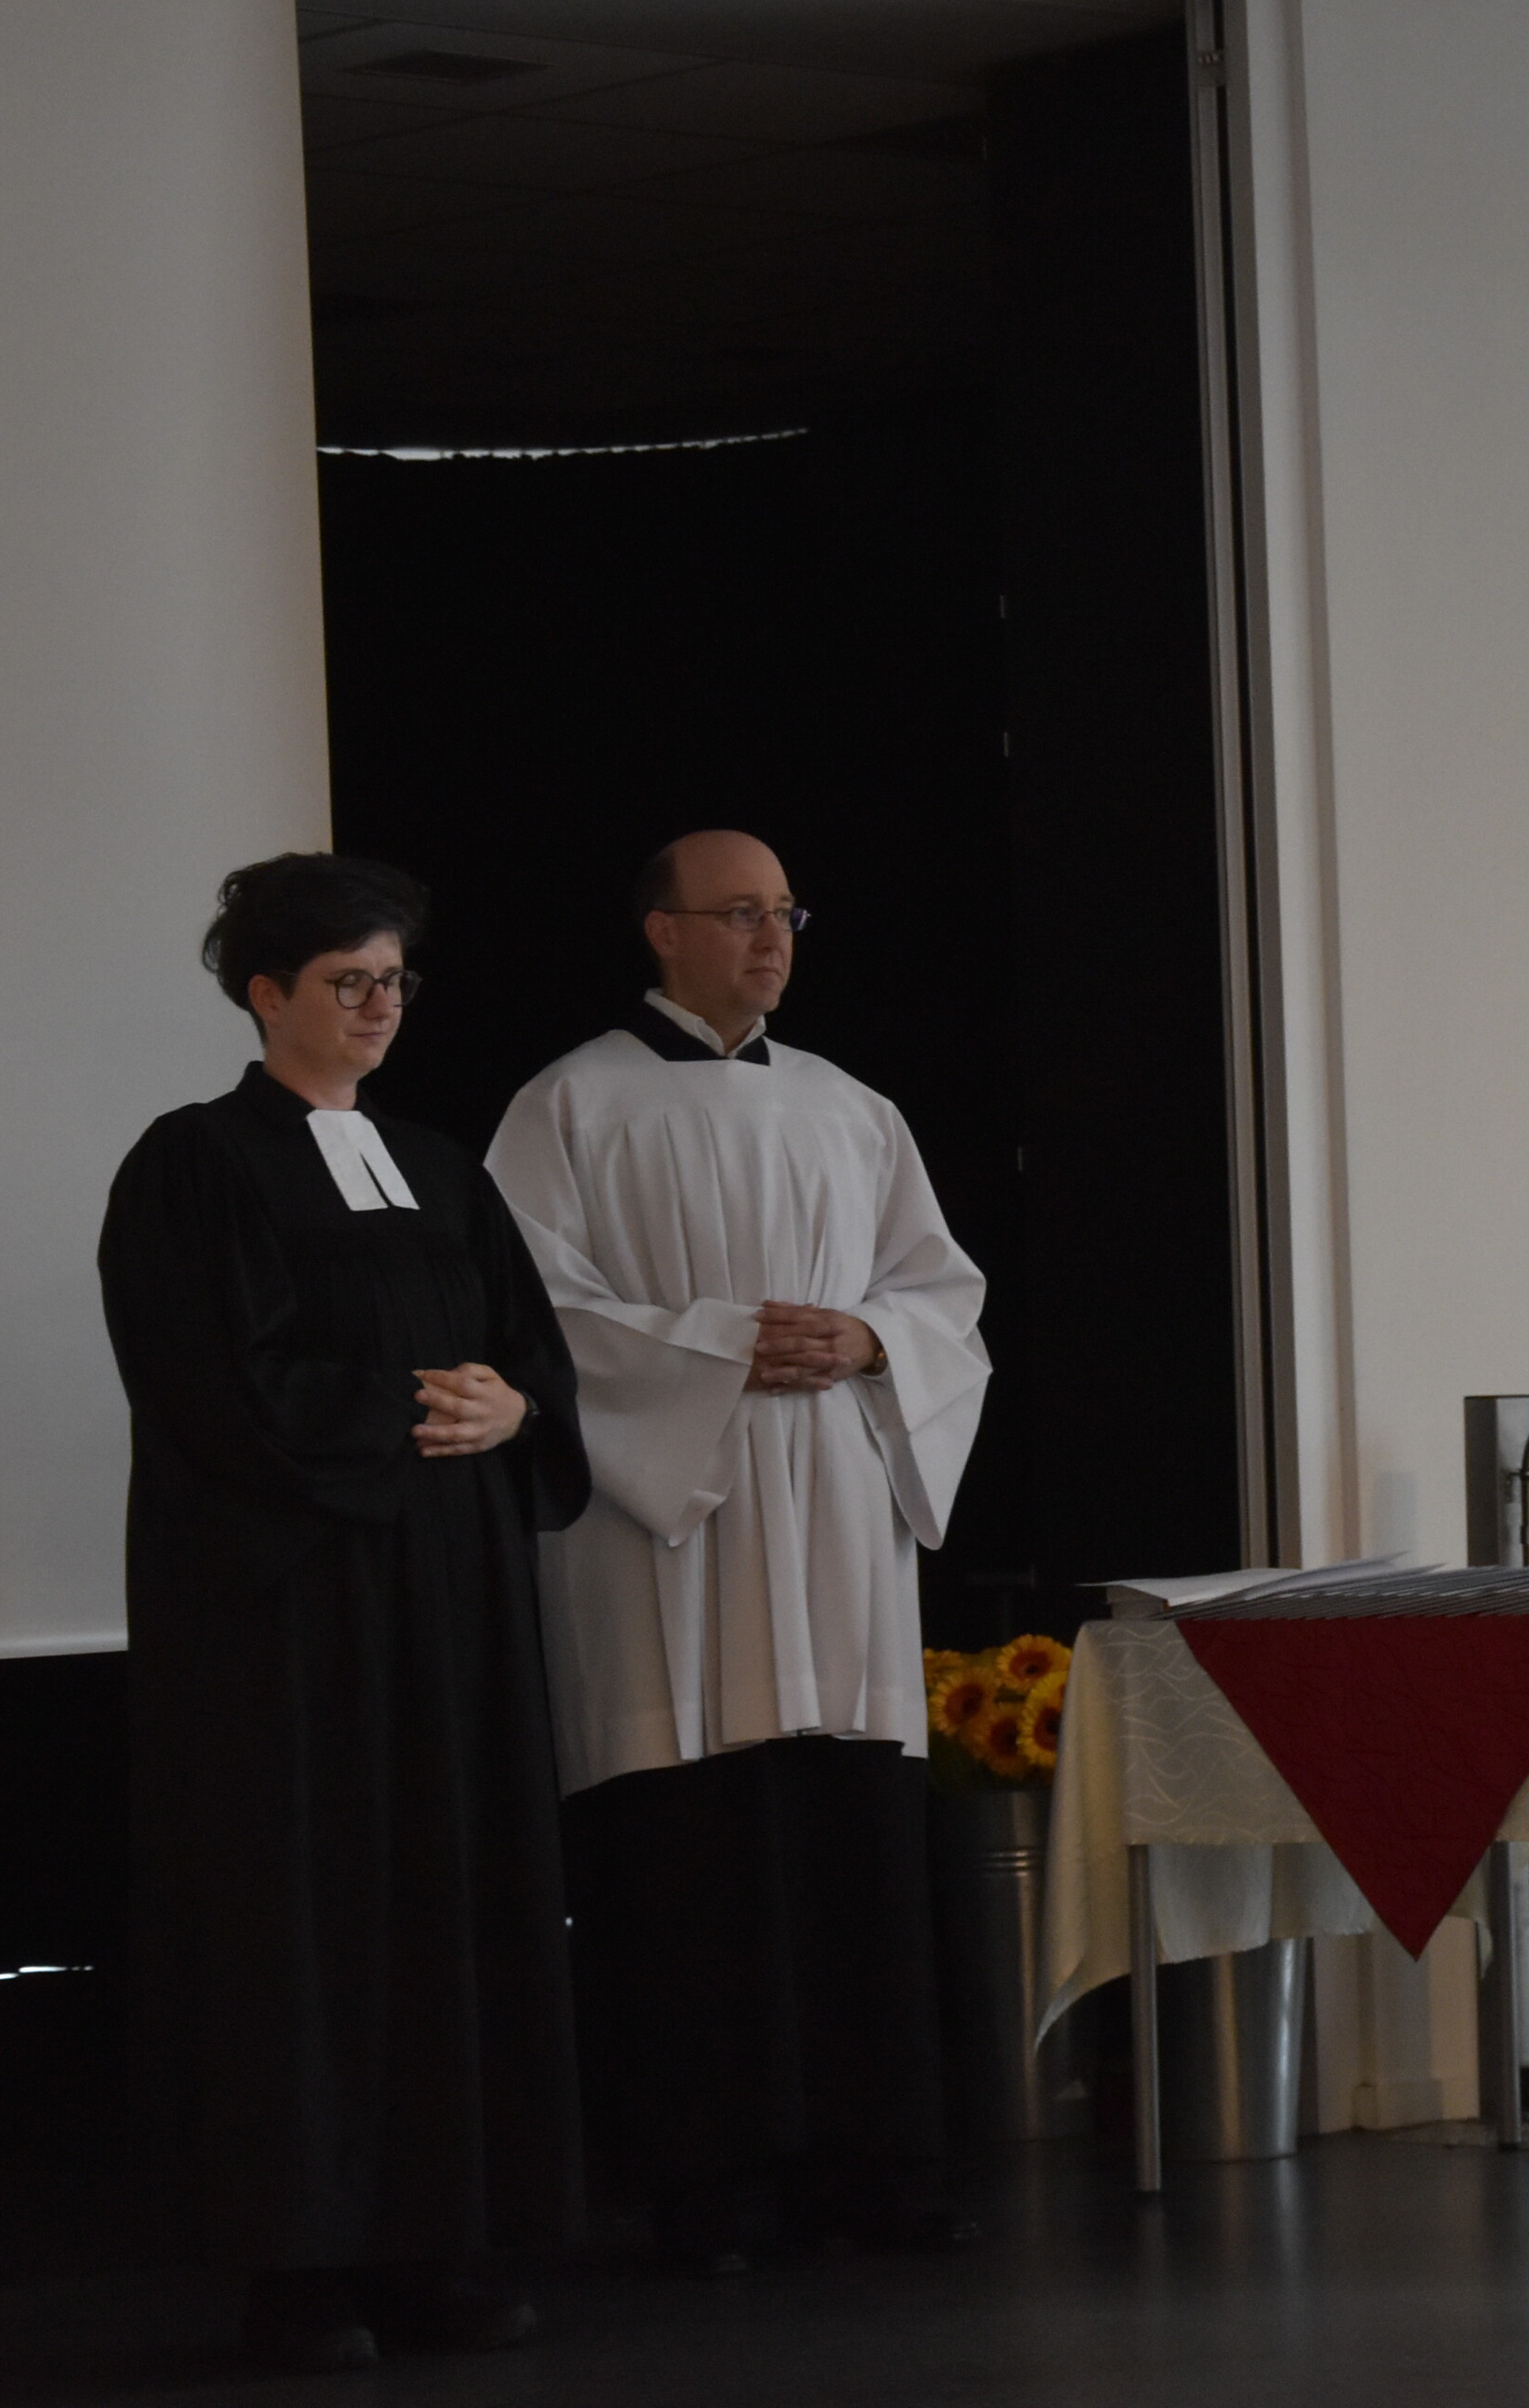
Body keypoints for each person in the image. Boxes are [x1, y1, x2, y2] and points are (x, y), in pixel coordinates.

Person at [96, 854, 593, 2373]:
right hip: (295, 1618)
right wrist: (404, 1411)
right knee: (305, 1921)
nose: (380, 1007)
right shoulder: (194, 1165)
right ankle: (300, 2271)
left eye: (394, 980)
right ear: (266, 994)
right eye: (347, 983)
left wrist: (514, 1408)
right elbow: (211, 1383)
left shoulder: (439, 1164)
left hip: (451, 1604)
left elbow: (530, 1354)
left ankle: (440, 2246)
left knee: (449, 1899)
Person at [483, 830, 993, 2272]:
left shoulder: (850, 1107)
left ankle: (876, 2164)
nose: (772, 940)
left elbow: (941, 1293)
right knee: (694, 1854)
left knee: (849, 1844)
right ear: (662, 930)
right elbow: (530, 1310)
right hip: (672, 1522)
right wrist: (715, 1351)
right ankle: (707, 2180)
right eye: (739, 914)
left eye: (785, 914)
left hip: (834, 1507)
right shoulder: (570, 1105)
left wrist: (870, 1338)